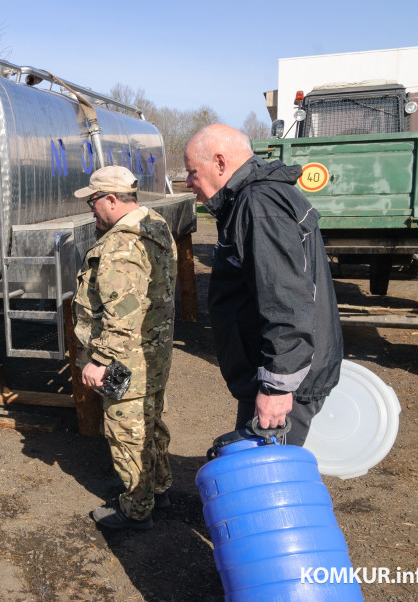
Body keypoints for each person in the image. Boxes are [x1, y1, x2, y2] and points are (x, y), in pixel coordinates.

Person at [183, 124, 343, 446]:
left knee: (268, 480)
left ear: (219, 162)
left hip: (284, 385)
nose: (188, 183)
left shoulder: (258, 205)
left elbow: (287, 303)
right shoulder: (250, 200)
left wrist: (277, 388)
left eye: (191, 172)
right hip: (274, 375)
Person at [72, 165, 177, 530]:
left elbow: (122, 316)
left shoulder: (120, 246)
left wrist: (99, 361)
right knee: (150, 425)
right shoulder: (155, 225)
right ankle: (159, 488)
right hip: (154, 355)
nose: (91, 208)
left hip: (125, 363)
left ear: (112, 199)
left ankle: (136, 509)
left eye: (93, 201)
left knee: (126, 433)